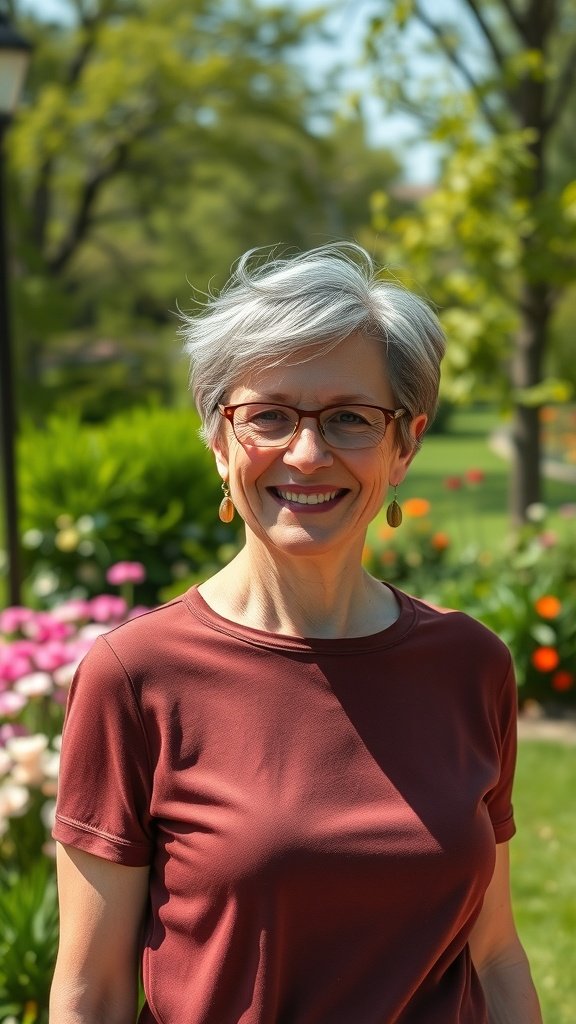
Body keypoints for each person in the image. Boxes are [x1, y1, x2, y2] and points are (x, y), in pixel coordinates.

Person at [50, 243, 542, 1024]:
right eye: (269, 416)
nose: (307, 453)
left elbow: (496, 953)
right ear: (218, 440)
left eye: (350, 418)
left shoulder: (470, 665)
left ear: (405, 445)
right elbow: (92, 995)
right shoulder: (137, 677)